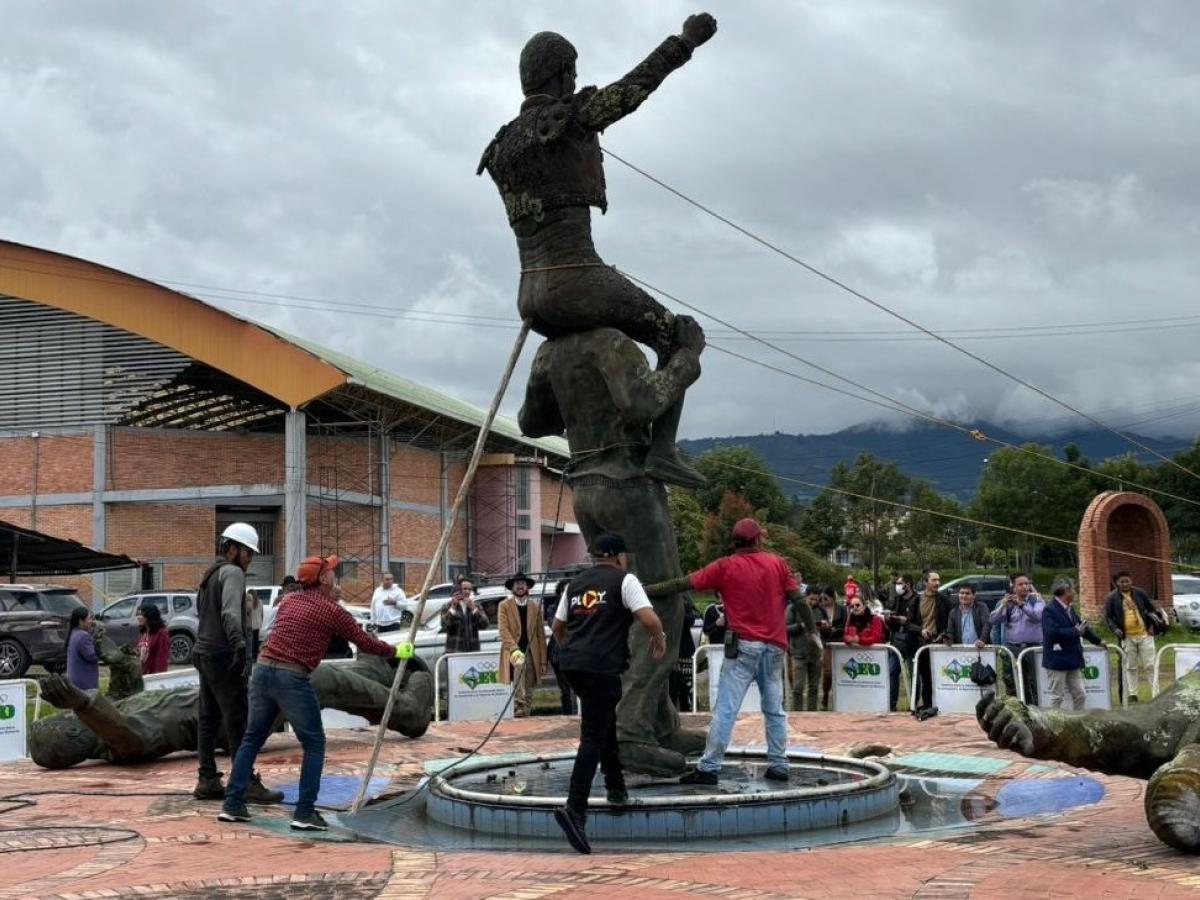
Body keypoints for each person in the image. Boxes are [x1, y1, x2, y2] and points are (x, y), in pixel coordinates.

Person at [480, 13, 719, 489]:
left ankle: (587, 426)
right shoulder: (567, 118)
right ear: (562, 73)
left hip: (530, 295)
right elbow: (634, 87)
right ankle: (663, 451)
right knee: (678, 336)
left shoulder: (502, 144)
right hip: (579, 281)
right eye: (571, 72)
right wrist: (685, 42)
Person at [218, 554, 415, 831]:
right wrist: (396, 651)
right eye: (333, 573)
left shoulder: (290, 601)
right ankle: (305, 812)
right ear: (322, 579)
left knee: (252, 739)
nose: (336, 577)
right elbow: (363, 642)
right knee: (314, 744)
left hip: (263, 672)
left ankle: (233, 804)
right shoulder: (331, 610)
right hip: (292, 677)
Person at [644, 518, 814, 785]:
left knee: (726, 709)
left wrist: (643, 591)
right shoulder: (777, 563)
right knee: (774, 709)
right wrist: (813, 633)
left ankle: (709, 767)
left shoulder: (725, 566)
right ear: (758, 539)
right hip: (774, 648)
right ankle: (779, 764)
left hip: (743, 647)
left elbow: (682, 583)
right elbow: (799, 600)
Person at [551, 533, 668, 854]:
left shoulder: (575, 584)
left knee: (603, 723)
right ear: (617, 556)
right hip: (602, 667)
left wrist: (572, 652)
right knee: (592, 736)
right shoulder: (624, 580)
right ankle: (575, 810)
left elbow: (558, 627)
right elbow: (648, 616)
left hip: (573, 665)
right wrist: (659, 637)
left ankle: (615, 786)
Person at [192, 522, 281, 805]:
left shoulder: (210, 574)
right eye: (247, 552)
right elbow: (231, 614)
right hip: (223, 655)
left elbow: (202, 611)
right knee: (239, 719)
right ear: (231, 549)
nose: (250, 558)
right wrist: (239, 647)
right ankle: (244, 783)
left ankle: (207, 780)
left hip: (203, 653)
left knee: (208, 719)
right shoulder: (231, 573)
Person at [1104, 570, 1166, 703]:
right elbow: (1108, 618)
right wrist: (1115, 629)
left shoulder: (1140, 593)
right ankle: (1133, 695)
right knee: (1130, 666)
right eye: (1122, 582)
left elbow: (1151, 610)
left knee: (1150, 665)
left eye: (1127, 581)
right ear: (1117, 583)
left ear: (1131, 581)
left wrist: (1151, 626)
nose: (1126, 584)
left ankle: (1156, 694)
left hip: (1145, 634)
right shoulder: (1111, 598)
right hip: (1127, 637)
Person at [1042, 577, 1104, 710]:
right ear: (1066, 591)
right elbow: (1051, 632)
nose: (1076, 592)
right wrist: (1074, 631)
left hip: (1073, 659)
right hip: (1057, 660)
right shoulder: (1049, 609)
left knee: (1080, 694)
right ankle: (1053, 725)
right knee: (1057, 696)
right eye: (1074, 590)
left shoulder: (1070, 608)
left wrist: (1098, 641)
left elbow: (1083, 627)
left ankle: (1078, 722)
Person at [498, 572, 547, 718]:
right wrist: (513, 649)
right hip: (514, 649)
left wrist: (543, 660)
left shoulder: (535, 606)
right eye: (517, 584)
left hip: (533, 650)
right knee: (519, 665)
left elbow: (540, 634)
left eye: (523, 584)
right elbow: (503, 630)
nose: (520, 586)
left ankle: (526, 711)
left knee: (530, 681)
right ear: (512, 588)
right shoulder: (504, 606)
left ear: (527, 587)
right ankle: (519, 703)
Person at [989, 573, 1044, 702]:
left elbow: (1037, 616)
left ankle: (1037, 709)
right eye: (1020, 584)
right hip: (1014, 648)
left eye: (1027, 583)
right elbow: (993, 620)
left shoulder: (1037, 600)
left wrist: (1021, 605)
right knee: (1017, 682)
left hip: (1033, 648)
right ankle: (1022, 708)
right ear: (1013, 587)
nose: (1025, 586)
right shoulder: (1008, 603)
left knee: (1036, 682)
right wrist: (1003, 605)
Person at [914, 571, 951, 711]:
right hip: (922, 644)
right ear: (925, 582)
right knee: (925, 677)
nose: (937, 583)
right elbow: (910, 623)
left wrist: (944, 634)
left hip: (940, 644)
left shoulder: (944, 600)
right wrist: (920, 631)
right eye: (934, 580)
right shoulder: (917, 600)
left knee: (943, 676)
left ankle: (944, 704)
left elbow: (950, 621)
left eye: (939, 580)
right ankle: (927, 704)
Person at [884, 576, 920, 711]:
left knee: (914, 675)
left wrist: (907, 622)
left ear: (908, 584)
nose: (897, 586)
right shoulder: (897, 600)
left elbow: (920, 623)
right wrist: (889, 618)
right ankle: (891, 705)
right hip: (897, 641)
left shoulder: (917, 599)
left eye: (900, 583)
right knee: (892, 672)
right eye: (896, 583)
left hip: (912, 642)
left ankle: (913, 704)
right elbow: (892, 622)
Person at [544, 579, 578, 715]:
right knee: (565, 688)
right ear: (559, 592)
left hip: (577, 650)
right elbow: (555, 625)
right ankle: (568, 713)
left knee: (578, 686)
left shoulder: (579, 606)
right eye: (564, 590)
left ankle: (577, 713)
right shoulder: (553, 608)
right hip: (559, 651)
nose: (566, 593)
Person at [786, 588, 822, 711]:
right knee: (798, 688)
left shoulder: (820, 610)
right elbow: (786, 628)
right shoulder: (793, 608)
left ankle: (812, 714)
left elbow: (827, 630)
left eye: (816, 600)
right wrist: (800, 626)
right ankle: (797, 713)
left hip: (815, 653)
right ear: (805, 597)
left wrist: (826, 627)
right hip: (798, 653)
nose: (813, 602)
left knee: (814, 687)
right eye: (811, 599)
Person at [442, 580, 490, 654]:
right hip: (454, 651)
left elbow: (485, 625)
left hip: (472, 651)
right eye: (464, 589)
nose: (467, 591)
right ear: (458, 590)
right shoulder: (448, 606)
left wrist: (474, 609)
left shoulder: (476, 605)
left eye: (469, 589)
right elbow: (444, 625)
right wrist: (453, 608)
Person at [818, 586, 846, 710]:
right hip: (826, 643)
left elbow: (845, 625)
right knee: (828, 672)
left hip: (839, 641)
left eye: (825, 598)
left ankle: (840, 697)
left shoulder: (842, 609)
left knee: (841, 672)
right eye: (821, 598)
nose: (823, 601)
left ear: (832, 598)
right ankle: (825, 695)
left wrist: (835, 630)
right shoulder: (820, 610)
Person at [669, 593, 698, 712]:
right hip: (670, 651)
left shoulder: (686, 608)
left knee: (686, 686)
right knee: (672, 687)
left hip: (684, 650)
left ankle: (688, 709)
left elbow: (690, 620)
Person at [945, 583, 990, 649]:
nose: (964, 596)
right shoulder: (953, 612)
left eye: (967, 593)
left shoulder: (981, 607)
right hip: (962, 651)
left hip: (980, 649)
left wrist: (982, 640)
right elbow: (950, 631)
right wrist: (949, 639)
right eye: (962, 593)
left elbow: (987, 625)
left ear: (974, 595)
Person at [65, 607, 99, 691]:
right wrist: (99, 646)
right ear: (81, 621)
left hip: (74, 681)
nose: (92, 621)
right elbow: (92, 656)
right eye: (89, 618)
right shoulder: (83, 636)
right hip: (85, 684)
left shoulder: (74, 633)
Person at [135, 604, 171, 675]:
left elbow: (161, 659)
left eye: (141, 614)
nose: (138, 617)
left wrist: (157, 678)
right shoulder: (144, 632)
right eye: (137, 614)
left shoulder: (161, 634)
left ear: (149, 616)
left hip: (153, 676)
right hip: (142, 675)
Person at [245, 590, 263, 659]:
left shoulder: (248, 602)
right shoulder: (260, 602)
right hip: (257, 624)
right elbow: (262, 613)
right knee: (256, 641)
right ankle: (255, 656)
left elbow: (247, 613)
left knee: (250, 642)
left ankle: (250, 656)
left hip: (251, 625)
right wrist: (261, 622)